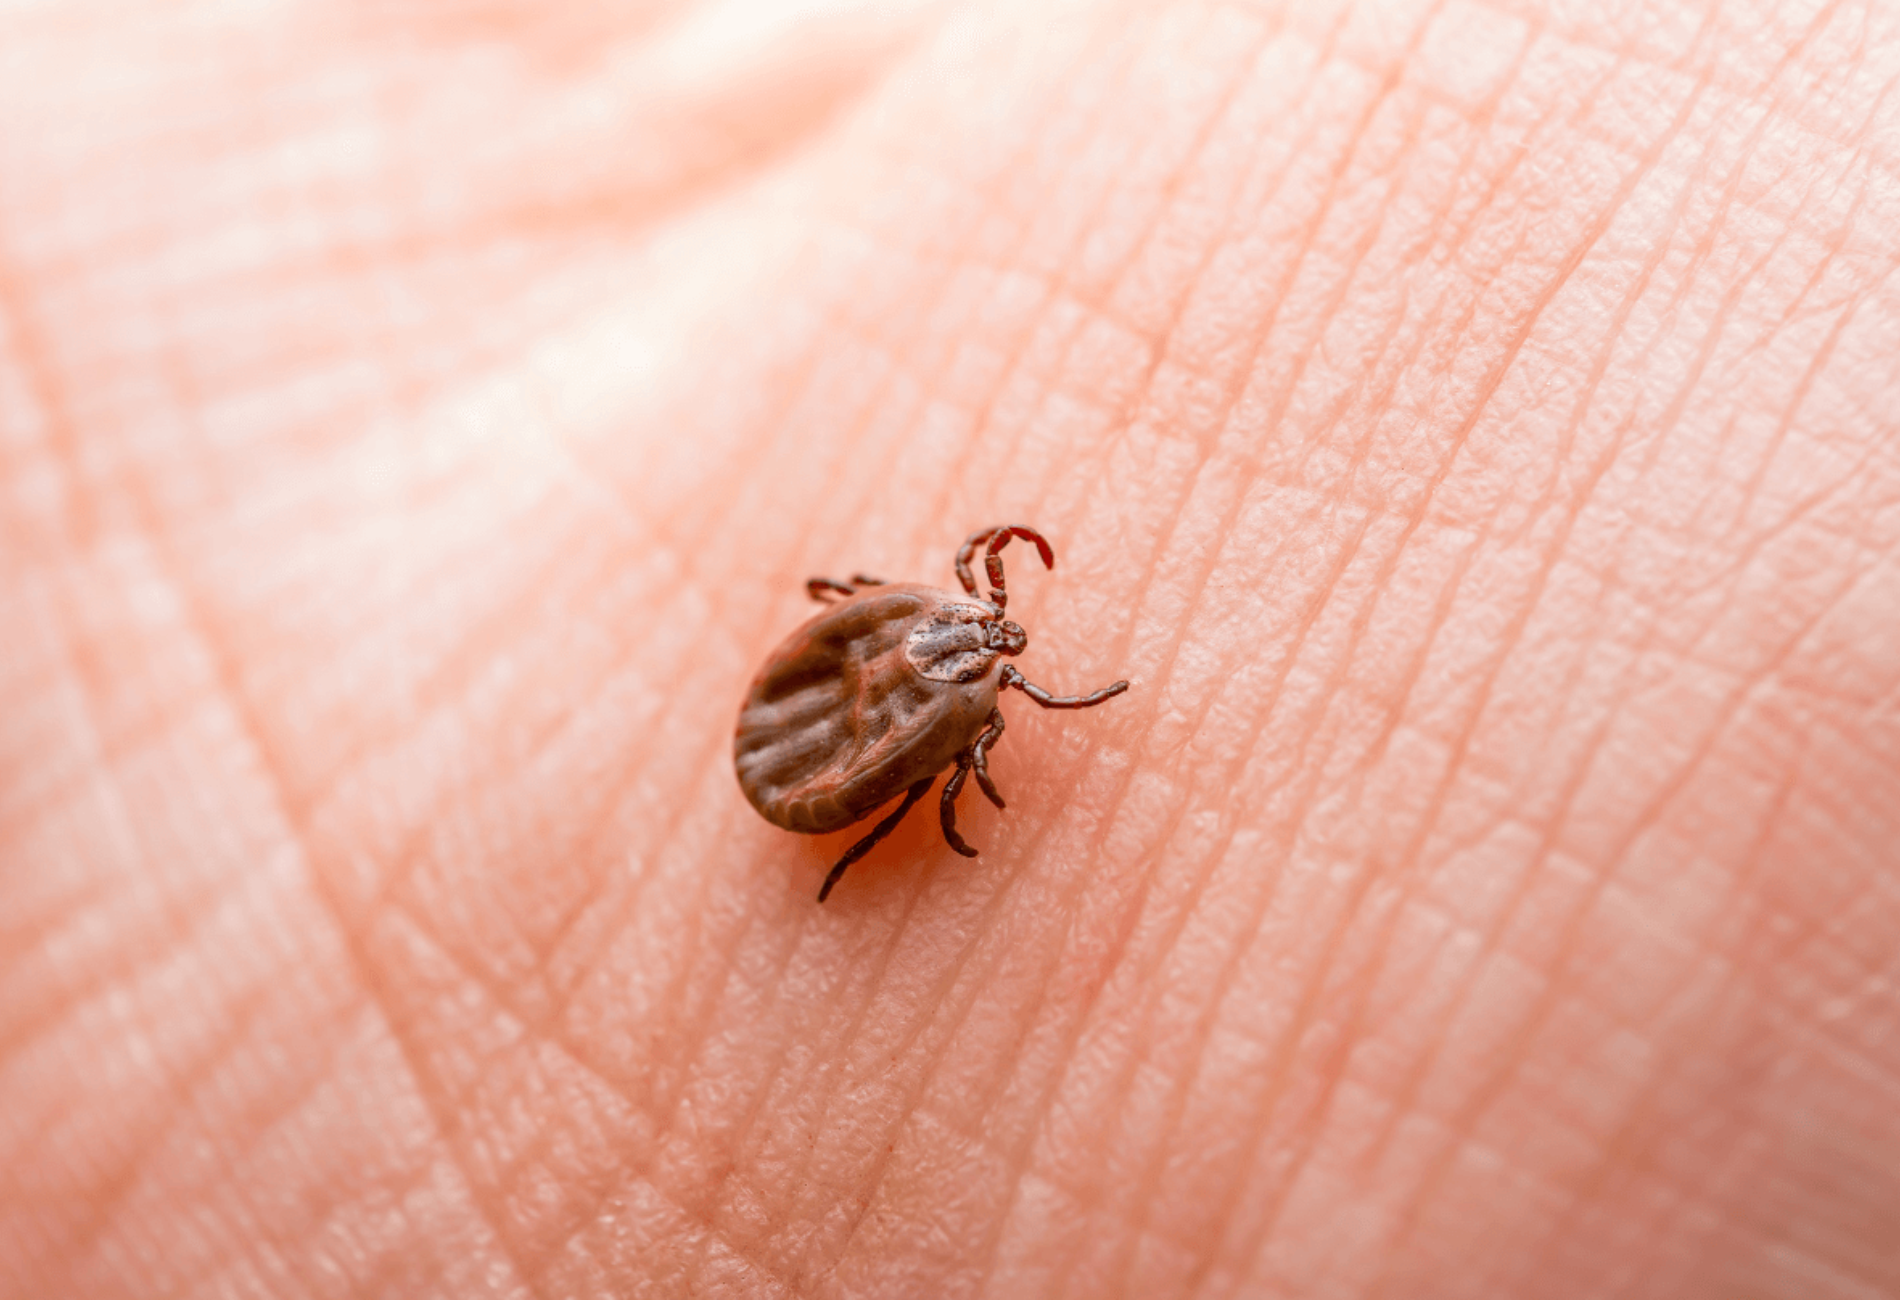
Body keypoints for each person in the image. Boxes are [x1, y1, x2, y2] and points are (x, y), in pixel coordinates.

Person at [4, 0, 1895, 1295]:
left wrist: (922, 729)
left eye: (992, 641)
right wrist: (938, 750)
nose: (991, 637)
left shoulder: (923, 640)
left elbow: (848, 701)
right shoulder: (936, 677)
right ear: (959, 619)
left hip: (818, 736)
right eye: (988, 625)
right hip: (822, 740)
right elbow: (877, 736)